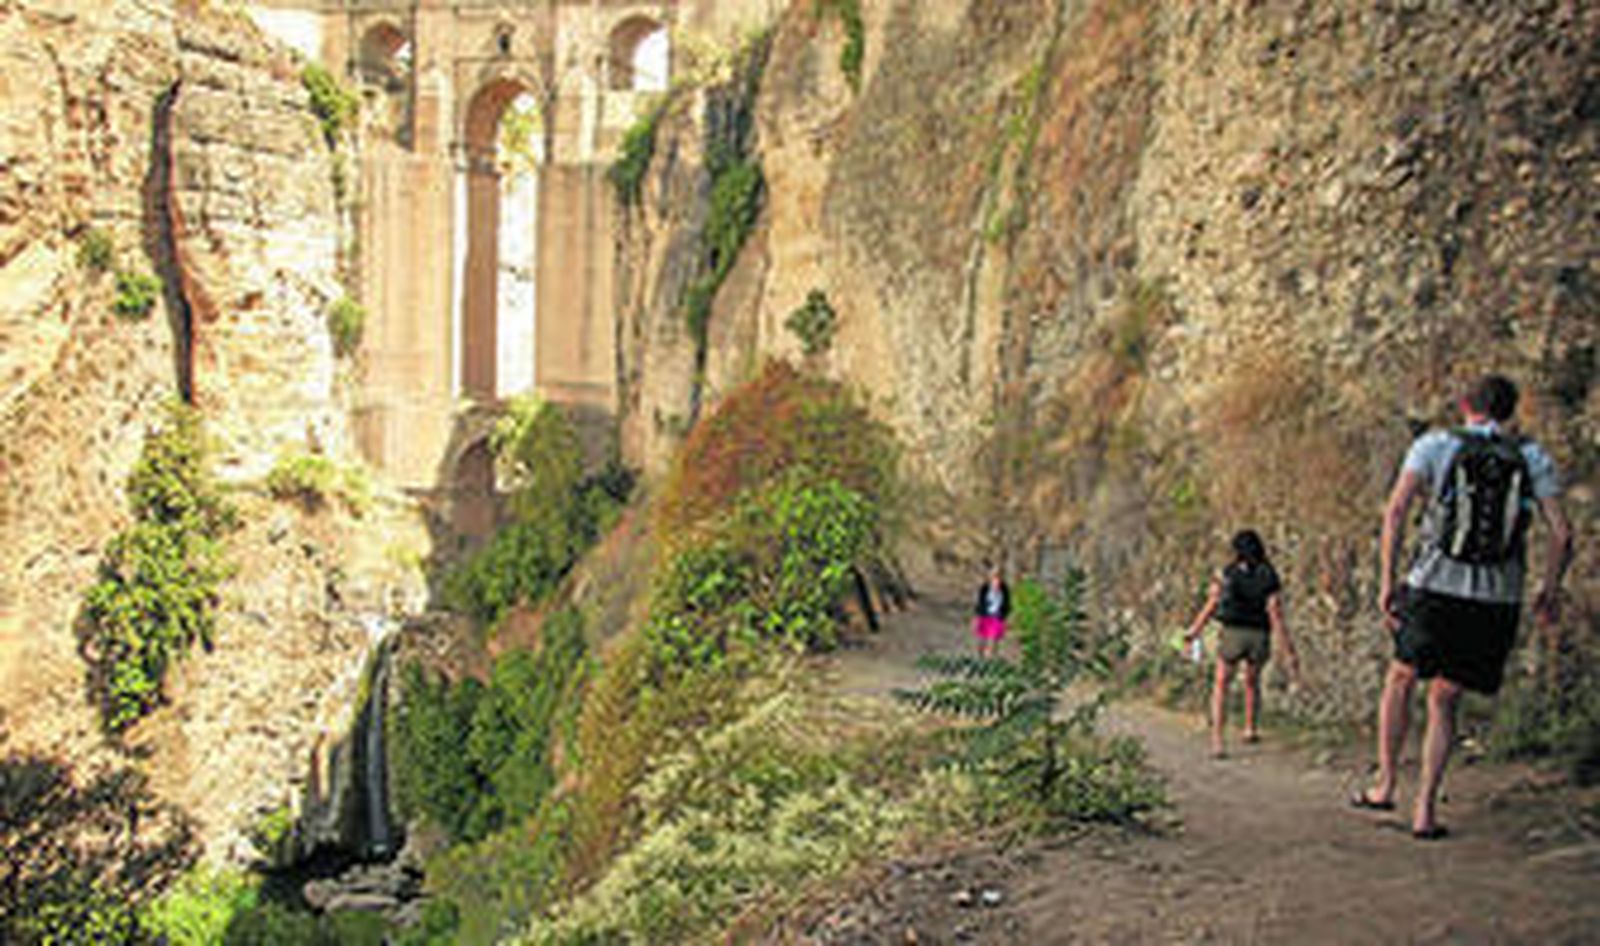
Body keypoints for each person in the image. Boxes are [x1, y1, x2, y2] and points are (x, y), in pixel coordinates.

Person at [1353, 374, 1572, 840]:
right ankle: (1425, 810)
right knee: (1446, 698)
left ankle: (1385, 783)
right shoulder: (1532, 457)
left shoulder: (1434, 445)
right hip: (1495, 598)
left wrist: (1388, 580)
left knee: (1401, 677)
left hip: (1433, 586)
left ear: (1464, 404)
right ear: (1511, 410)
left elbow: (1395, 512)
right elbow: (1562, 533)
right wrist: (1549, 590)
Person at [1184, 529, 1302, 758]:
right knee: (1252, 682)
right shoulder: (1269, 574)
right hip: (1260, 635)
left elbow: (1212, 604)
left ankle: (1218, 741)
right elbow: (1276, 614)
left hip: (1233, 633)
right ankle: (1250, 728)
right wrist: (1289, 650)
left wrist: (1194, 630)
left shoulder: (1229, 573)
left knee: (1221, 686)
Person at [972, 564, 1011, 658]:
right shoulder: (984, 588)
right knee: (982, 641)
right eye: (993, 576)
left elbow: (1007, 604)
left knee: (993, 641)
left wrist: (1004, 616)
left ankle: (990, 661)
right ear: (989, 577)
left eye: (998, 576)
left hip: (997, 617)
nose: (995, 579)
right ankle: (980, 659)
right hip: (985, 616)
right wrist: (977, 616)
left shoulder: (1004, 589)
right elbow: (979, 603)